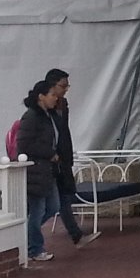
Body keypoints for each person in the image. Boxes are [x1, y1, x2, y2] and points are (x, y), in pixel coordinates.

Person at [45, 68, 98, 248]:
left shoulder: (62, 105)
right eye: (63, 86)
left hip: (63, 158)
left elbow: (64, 132)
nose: (66, 89)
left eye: (67, 86)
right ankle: (31, 234)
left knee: (64, 198)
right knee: (52, 203)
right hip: (53, 160)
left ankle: (76, 235)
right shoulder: (43, 109)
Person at [18, 80, 63, 266]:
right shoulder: (31, 117)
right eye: (52, 94)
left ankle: (28, 236)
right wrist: (49, 154)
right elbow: (24, 145)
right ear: (41, 97)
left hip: (46, 171)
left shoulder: (47, 116)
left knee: (53, 206)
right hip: (36, 170)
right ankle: (34, 248)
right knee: (38, 210)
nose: (56, 98)